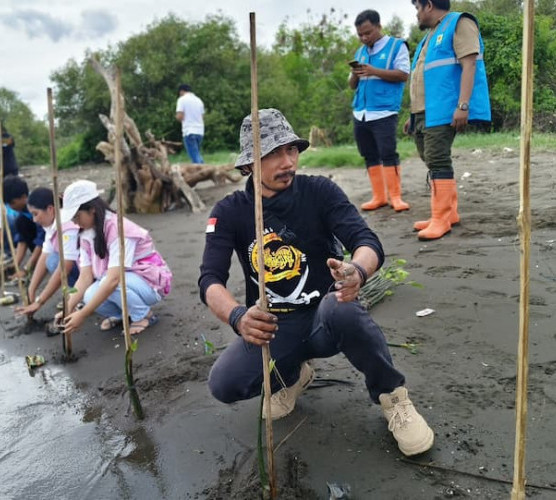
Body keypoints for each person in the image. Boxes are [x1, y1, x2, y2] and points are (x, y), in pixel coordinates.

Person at [198, 109, 434, 457]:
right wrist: (237, 316)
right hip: (276, 326)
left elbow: (366, 241)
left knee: (342, 309)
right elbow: (210, 280)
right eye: (273, 154)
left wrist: (357, 270)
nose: (287, 162)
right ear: (249, 164)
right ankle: (292, 376)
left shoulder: (320, 191)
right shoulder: (230, 211)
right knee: (224, 384)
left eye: (290, 150)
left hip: (329, 313)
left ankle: (393, 398)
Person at [406, 0, 491, 240]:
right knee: (430, 158)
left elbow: (469, 64)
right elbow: (424, 76)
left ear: (429, 5)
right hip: (424, 110)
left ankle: (441, 218)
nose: (416, 15)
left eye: (417, 8)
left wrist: (463, 105)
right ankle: (448, 213)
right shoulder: (431, 35)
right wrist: (412, 114)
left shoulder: (459, 23)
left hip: (444, 108)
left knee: (437, 158)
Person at [58, 180, 172, 336]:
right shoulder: (85, 234)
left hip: (149, 282)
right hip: (124, 281)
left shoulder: (118, 228)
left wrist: (82, 314)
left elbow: (113, 280)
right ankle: (121, 314)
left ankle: (144, 315)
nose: (75, 222)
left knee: (110, 283)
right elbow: (85, 277)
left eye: (77, 216)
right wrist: (68, 307)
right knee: (88, 295)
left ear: (92, 209)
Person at [349, 10, 410, 212]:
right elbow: (351, 85)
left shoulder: (396, 46)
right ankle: (379, 196)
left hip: (384, 111)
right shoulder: (360, 52)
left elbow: (403, 74)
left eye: (367, 33)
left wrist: (373, 71)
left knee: (388, 153)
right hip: (361, 111)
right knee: (369, 154)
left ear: (378, 26)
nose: (364, 38)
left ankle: (396, 197)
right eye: (360, 35)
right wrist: (355, 74)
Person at [15, 187, 80, 319]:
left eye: (35, 214)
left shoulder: (67, 225)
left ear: (50, 209)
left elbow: (65, 267)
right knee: (50, 259)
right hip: (80, 267)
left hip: (90, 271)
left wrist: (39, 302)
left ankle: (80, 296)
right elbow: (44, 255)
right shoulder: (51, 225)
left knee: (54, 261)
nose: (34, 220)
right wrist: (31, 290)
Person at [3, 175, 45, 280]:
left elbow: (42, 240)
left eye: (12, 203)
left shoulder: (38, 207)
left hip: (53, 243)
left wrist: (27, 269)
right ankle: (37, 261)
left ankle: (39, 262)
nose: (11, 207)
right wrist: (15, 265)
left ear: (23, 197)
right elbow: (22, 241)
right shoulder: (22, 212)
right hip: (40, 241)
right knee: (20, 222)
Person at [175, 84, 205, 164]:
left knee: (195, 157)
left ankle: (202, 173)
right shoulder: (199, 100)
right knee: (197, 154)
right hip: (200, 131)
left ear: (181, 91)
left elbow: (180, 116)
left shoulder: (182, 99)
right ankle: (206, 171)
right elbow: (202, 116)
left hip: (189, 131)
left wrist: (177, 117)